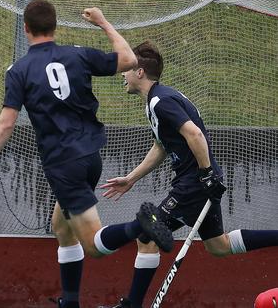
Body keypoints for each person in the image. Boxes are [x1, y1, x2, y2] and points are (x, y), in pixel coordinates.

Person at [0, 0, 174, 308]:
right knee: (61, 227)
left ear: (26, 29)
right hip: (91, 158)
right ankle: (70, 301)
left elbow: (6, 123)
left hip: (64, 165)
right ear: (54, 27)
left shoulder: (19, 70)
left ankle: (139, 226)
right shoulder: (77, 55)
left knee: (94, 245)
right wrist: (103, 23)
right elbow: (129, 58)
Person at [100, 41, 278, 308]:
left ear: (140, 72)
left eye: (126, 68)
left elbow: (193, 133)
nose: (122, 74)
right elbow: (162, 145)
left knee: (147, 235)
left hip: (194, 185)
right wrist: (132, 178)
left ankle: (131, 305)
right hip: (200, 182)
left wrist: (206, 175)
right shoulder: (157, 100)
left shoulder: (160, 101)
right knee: (219, 246)